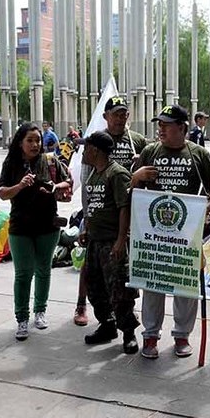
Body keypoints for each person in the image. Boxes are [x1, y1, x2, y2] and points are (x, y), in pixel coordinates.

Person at [132, 105, 210, 358]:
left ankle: (182, 335)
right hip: (153, 232)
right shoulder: (149, 151)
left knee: (185, 284)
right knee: (153, 282)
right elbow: (131, 188)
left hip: (187, 232)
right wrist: (136, 176)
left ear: (182, 127)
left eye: (166, 124)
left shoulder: (198, 154)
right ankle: (150, 336)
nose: (160, 129)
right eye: (159, 124)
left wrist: (206, 208)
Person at [73, 96, 148, 326]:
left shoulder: (137, 141)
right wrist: (87, 219)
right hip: (100, 216)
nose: (120, 118)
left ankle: (125, 319)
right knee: (93, 269)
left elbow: (149, 176)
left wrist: (139, 168)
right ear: (106, 116)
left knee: (122, 272)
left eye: (124, 114)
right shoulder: (95, 144)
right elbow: (88, 187)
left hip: (127, 215)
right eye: (115, 114)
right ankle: (86, 307)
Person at [0, 123, 73, 340]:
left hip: (47, 226)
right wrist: (20, 185)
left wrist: (54, 187)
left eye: (37, 140)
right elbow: (2, 193)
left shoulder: (50, 160)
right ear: (20, 142)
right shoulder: (11, 163)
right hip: (20, 227)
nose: (35, 144)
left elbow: (67, 181)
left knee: (43, 269)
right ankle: (21, 317)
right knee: (23, 273)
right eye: (30, 140)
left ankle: (40, 311)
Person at [80, 131, 140, 353]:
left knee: (119, 290)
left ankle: (129, 333)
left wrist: (120, 240)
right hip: (95, 241)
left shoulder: (116, 174)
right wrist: (85, 228)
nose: (83, 152)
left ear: (95, 150)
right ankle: (107, 324)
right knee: (94, 286)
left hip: (111, 241)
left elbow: (124, 207)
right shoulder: (94, 174)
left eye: (85, 148)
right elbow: (92, 206)